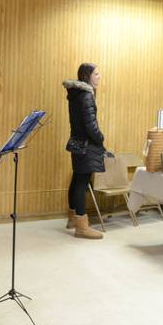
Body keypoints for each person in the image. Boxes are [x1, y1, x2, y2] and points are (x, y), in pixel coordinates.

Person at [63, 63, 105, 239]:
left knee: (77, 180)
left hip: (77, 142)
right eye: (96, 73)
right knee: (82, 183)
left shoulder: (76, 94)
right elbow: (90, 125)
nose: (100, 76)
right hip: (87, 144)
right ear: (87, 76)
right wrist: (101, 138)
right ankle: (81, 226)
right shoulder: (86, 95)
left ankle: (73, 218)